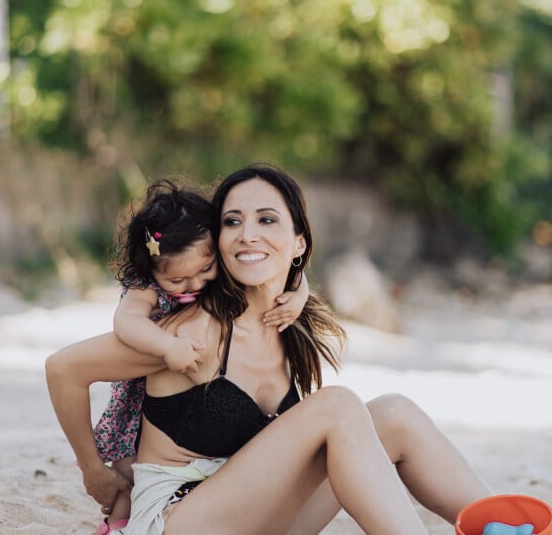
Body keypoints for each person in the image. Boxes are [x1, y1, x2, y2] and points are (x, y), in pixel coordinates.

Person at [47, 164, 492, 534]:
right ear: (216, 242)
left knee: (394, 413)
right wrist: (95, 472)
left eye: (267, 219)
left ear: (299, 242)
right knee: (336, 406)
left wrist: (297, 290)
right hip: (177, 519)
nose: (248, 235)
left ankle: (506, 522)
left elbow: (289, 280)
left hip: (255, 516)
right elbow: (63, 368)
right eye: (232, 221)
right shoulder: (193, 332)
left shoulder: (287, 321)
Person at [80, 177, 310, 533]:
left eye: (205, 270)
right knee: (127, 467)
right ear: (155, 272)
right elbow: (124, 323)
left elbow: (281, 265)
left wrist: (299, 293)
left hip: (214, 483)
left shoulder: (213, 275)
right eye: (179, 281)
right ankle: (117, 524)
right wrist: (166, 346)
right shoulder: (154, 296)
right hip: (150, 378)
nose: (195, 285)